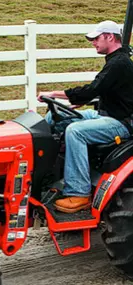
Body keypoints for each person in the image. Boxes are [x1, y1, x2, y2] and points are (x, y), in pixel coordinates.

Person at [38, 20, 133, 213]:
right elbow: (105, 91)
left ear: (109, 37)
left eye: (96, 38)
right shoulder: (115, 62)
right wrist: (77, 103)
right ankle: (44, 176)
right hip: (104, 114)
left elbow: (94, 89)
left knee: (76, 131)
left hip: (120, 122)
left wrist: (56, 94)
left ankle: (79, 192)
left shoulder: (120, 64)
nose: (93, 43)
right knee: (56, 117)